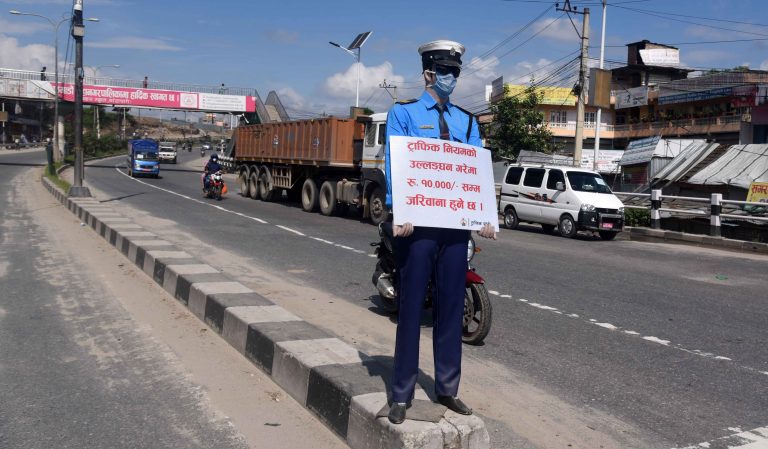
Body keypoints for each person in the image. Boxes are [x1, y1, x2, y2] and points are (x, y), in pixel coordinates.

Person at [384, 40, 496, 425]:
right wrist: (400, 210)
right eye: (445, 72)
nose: (451, 79)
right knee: (412, 308)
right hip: (417, 229)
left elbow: (476, 172)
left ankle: (448, 388)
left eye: (455, 73)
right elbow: (395, 162)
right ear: (428, 73)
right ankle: (401, 392)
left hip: (455, 231)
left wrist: (485, 216)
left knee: (450, 308)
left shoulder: (466, 122)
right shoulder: (404, 114)